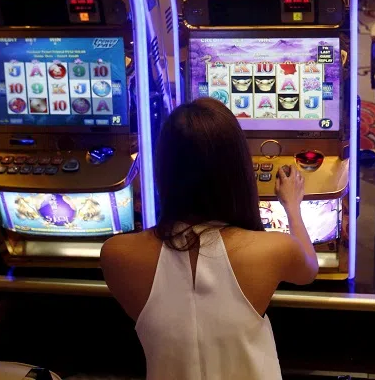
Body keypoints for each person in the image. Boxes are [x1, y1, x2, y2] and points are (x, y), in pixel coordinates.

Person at [101, 98, 318, 380]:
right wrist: (292, 206)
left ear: (164, 168)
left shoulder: (116, 254)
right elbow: (309, 268)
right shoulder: (274, 249)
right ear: (237, 169)